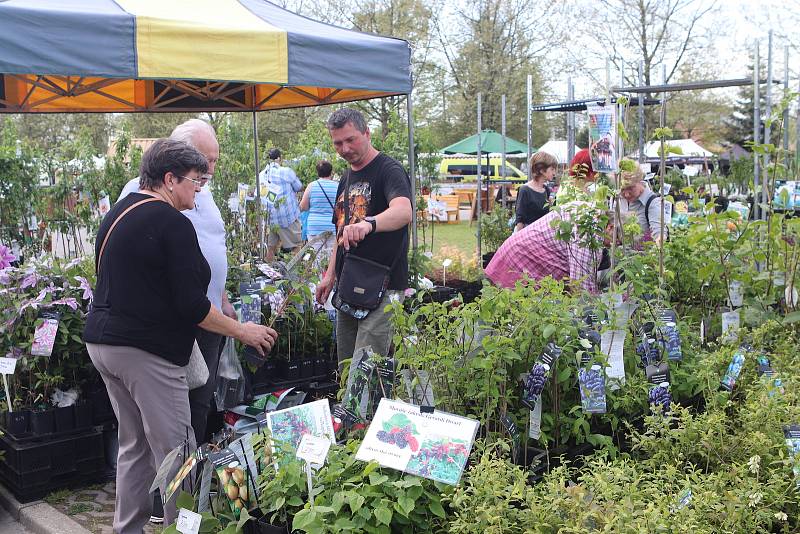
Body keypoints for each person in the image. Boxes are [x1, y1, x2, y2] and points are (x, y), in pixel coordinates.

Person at [84, 139, 278, 533]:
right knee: (178, 451)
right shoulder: (171, 222)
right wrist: (243, 330)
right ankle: (185, 528)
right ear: (170, 179)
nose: (198, 191)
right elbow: (193, 307)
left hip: (104, 345)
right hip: (145, 351)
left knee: (134, 446)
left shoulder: (121, 212)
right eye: (195, 181)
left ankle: (129, 529)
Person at [118, 119, 236, 447]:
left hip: (210, 313)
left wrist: (223, 298)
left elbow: (214, 246)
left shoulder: (204, 192)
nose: (209, 168)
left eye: (214, 160)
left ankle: (191, 474)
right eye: (204, 159)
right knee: (171, 409)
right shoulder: (140, 191)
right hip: (177, 316)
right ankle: (174, 485)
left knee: (201, 397)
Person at [314, 108, 412, 370]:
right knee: (346, 364)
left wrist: (369, 224)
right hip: (349, 282)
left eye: (351, 140)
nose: (345, 148)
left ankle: (365, 412)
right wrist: (330, 274)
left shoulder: (389, 170)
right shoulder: (346, 176)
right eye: (338, 143)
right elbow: (341, 230)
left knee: (365, 368)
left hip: (384, 283)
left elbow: (403, 211)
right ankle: (349, 412)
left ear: (367, 133)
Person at [485, 203, 611, 294]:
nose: (613, 245)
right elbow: (581, 286)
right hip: (520, 260)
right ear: (610, 227)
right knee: (513, 313)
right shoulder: (589, 232)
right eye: (619, 240)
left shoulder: (590, 212)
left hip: (518, 251)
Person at [261, 148, 303, 261]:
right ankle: (294, 276)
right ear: (279, 158)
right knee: (296, 247)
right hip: (287, 217)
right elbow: (299, 187)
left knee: (271, 249)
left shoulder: (262, 175)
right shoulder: (286, 172)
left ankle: (268, 271)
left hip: (272, 219)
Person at [619, 161, 668, 244]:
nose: (626, 194)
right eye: (622, 189)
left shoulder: (652, 203)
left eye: (631, 188)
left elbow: (659, 234)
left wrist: (659, 242)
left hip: (642, 255)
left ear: (640, 181)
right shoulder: (617, 199)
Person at [299, 159, 338, 263]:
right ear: (331, 172)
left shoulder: (312, 186)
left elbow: (303, 206)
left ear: (318, 172)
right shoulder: (337, 186)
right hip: (332, 226)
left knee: (316, 255)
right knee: (331, 256)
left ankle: (319, 278)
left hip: (315, 226)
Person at [515, 151, 557, 231]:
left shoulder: (546, 190)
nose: (554, 173)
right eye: (552, 169)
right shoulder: (525, 190)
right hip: (528, 235)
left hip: (542, 236)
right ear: (542, 170)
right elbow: (520, 219)